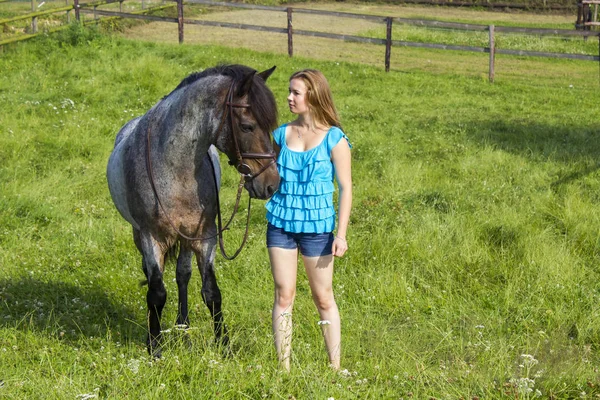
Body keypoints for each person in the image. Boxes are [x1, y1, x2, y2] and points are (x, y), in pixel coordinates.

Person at [265, 69, 352, 371]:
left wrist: (340, 234)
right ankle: (283, 369)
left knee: (323, 297)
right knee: (283, 293)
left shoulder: (334, 139)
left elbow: (346, 188)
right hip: (281, 224)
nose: (288, 97)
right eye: (288, 91)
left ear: (313, 96)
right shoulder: (280, 135)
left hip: (317, 229)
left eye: (295, 93)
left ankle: (335, 367)